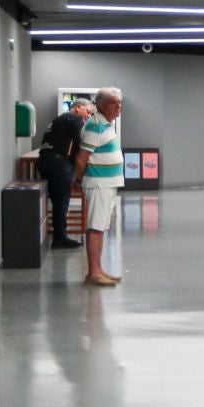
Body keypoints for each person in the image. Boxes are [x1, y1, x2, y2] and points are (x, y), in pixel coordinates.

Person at [76, 87, 124, 286]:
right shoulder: (95, 125)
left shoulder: (104, 124)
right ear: (102, 105)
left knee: (100, 227)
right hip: (98, 184)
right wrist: (78, 181)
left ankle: (98, 269)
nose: (119, 108)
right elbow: (81, 159)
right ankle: (94, 273)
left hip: (106, 184)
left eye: (120, 104)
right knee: (96, 228)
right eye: (115, 104)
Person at [37, 96, 92, 249]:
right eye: (87, 112)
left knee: (57, 201)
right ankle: (60, 238)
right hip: (57, 164)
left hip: (45, 161)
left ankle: (59, 234)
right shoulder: (74, 119)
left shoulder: (58, 120)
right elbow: (82, 144)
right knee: (62, 201)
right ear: (78, 108)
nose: (88, 116)